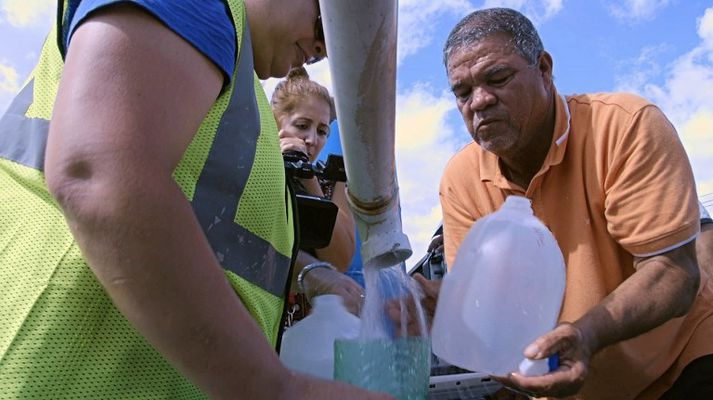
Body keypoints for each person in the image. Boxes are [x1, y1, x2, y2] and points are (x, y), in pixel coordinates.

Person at [0, 1, 390, 399]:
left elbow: (218, 238)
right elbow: (99, 173)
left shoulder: (242, 105)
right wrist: (276, 387)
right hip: (58, 371)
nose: (326, 46)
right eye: (327, 19)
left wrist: (306, 272)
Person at [434, 7, 713, 399]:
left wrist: (586, 334)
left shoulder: (622, 128)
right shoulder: (460, 180)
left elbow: (673, 271)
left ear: (544, 69)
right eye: (462, 92)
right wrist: (436, 302)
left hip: (678, 367)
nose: (479, 101)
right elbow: (486, 300)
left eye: (497, 78)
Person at [270, 67, 365, 318]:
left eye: (322, 131)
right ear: (275, 121)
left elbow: (339, 260)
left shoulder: (332, 178)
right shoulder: (254, 164)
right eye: (302, 126)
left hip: (313, 319)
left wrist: (308, 176)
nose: (312, 139)